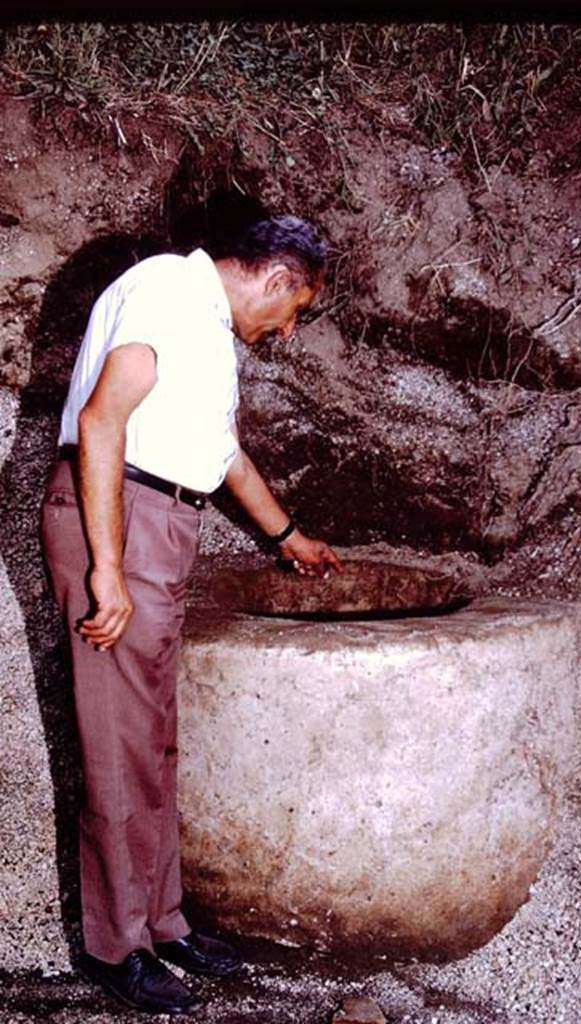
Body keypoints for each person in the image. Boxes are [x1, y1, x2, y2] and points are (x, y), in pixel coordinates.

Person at [40, 215, 342, 1015]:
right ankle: (117, 947)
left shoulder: (203, 324)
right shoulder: (171, 290)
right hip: (120, 512)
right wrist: (107, 567)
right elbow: (104, 419)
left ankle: (164, 924)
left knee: (153, 738)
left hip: (157, 518)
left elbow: (222, 453)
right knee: (117, 740)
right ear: (276, 278)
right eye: (296, 309)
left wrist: (288, 536)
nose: (287, 329)